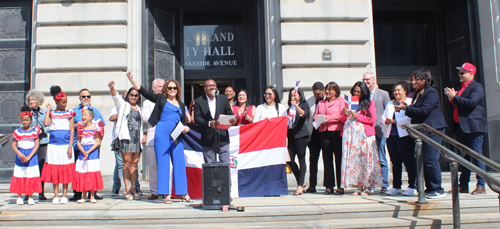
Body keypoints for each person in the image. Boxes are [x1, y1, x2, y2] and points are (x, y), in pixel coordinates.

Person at [127, 71, 193, 204]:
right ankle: (165, 194)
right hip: (162, 133)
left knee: (179, 162)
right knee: (162, 164)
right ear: (165, 90)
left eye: (174, 88)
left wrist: (186, 127)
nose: (172, 90)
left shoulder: (180, 104)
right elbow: (144, 92)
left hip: (177, 134)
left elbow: (183, 121)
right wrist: (132, 80)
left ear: (177, 90)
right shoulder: (160, 99)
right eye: (170, 88)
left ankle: (183, 193)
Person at [395, 69, 447, 199]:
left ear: (424, 80)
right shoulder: (418, 93)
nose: (414, 82)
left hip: (433, 129)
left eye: (417, 79)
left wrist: (405, 108)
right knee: (424, 160)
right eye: (413, 79)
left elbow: (424, 110)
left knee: (431, 159)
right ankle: (429, 188)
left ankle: (437, 188)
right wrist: (406, 107)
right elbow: (416, 110)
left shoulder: (431, 93)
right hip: (422, 131)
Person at [445, 62, 488, 195]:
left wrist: (455, 98)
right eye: (459, 73)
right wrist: (452, 99)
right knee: (463, 157)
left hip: (474, 127)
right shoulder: (460, 87)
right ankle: (463, 185)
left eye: (463, 72)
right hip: (461, 127)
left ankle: (481, 184)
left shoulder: (477, 87)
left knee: (476, 155)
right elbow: (457, 105)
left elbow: (471, 103)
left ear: (471, 74)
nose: (460, 75)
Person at [340, 81, 382, 196]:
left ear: (364, 92)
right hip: (352, 138)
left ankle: (367, 187)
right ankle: (359, 187)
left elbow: (372, 119)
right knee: (357, 162)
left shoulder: (370, 103)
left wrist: (357, 116)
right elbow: (343, 120)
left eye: (359, 91)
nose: (356, 93)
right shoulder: (349, 103)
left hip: (365, 136)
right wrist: (345, 113)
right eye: (355, 91)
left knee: (366, 161)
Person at [108, 80, 144, 201]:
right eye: (131, 95)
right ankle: (127, 188)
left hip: (136, 139)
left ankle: (134, 188)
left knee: (135, 164)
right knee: (127, 163)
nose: (133, 97)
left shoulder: (139, 108)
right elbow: (116, 97)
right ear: (128, 96)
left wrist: (143, 135)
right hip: (126, 138)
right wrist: (112, 88)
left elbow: (141, 125)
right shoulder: (123, 105)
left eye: (136, 95)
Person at [380, 80, 417, 196]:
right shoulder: (390, 103)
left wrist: (396, 121)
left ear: (405, 91)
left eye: (398, 90)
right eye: (394, 90)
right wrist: (386, 120)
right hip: (391, 135)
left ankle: (412, 186)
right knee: (395, 162)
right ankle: (396, 186)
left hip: (405, 135)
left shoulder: (409, 102)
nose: (396, 92)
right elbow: (383, 117)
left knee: (408, 161)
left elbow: (410, 118)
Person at [70, 88, 107, 201]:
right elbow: (69, 127)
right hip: (79, 145)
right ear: (79, 98)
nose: (86, 98)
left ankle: (93, 193)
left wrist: (99, 142)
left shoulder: (95, 112)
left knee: (92, 169)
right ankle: (78, 193)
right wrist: (77, 125)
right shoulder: (75, 111)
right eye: (83, 96)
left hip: (92, 145)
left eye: (88, 96)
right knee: (80, 169)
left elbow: (101, 126)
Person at [41, 85, 75, 204]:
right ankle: (56, 194)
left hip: (65, 145)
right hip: (54, 145)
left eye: (66, 102)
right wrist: (49, 110)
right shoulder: (52, 114)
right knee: (55, 168)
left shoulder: (69, 114)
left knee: (65, 169)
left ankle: (64, 194)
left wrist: (70, 147)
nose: (65, 104)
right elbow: (46, 124)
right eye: (63, 102)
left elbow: (72, 131)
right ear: (57, 102)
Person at [194, 79, 237, 164]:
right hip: (208, 138)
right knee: (210, 168)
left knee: (225, 165)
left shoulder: (223, 99)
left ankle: (225, 178)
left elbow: (229, 113)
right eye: (209, 86)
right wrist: (209, 123)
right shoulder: (199, 101)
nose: (212, 87)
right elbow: (197, 118)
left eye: (214, 85)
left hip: (222, 137)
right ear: (204, 88)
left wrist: (233, 120)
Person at [313, 82, 345, 195]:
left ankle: (340, 186)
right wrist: (318, 118)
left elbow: (341, 116)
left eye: (330, 90)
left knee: (338, 159)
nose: (327, 92)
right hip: (323, 132)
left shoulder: (341, 101)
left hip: (336, 132)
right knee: (327, 159)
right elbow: (316, 115)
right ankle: (329, 186)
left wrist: (327, 118)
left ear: (336, 91)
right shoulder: (321, 102)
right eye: (326, 90)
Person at [362, 72, 390, 193]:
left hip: (379, 131)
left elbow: (388, 110)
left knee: (382, 158)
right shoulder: (362, 96)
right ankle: (371, 184)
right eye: (363, 80)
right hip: (366, 132)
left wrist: (386, 126)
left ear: (374, 80)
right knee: (369, 160)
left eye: (367, 79)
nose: (365, 82)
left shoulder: (383, 94)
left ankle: (384, 184)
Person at [10, 105, 42, 205]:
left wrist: (29, 156)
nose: (25, 122)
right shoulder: (18, 132)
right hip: (21, 155)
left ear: (31, 120)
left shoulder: (34, 131)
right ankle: (20, 195)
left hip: (31, 156)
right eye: (23, 120)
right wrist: (19, 153)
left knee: (30, 175)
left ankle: (30, 196)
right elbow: (13, 144)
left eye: (27, 120)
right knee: (20, 175)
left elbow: (37, 144)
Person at [141, 78, 165, 200]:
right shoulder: (147, 103)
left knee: (165, 164)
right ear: (153, 88)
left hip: (166, 136)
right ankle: (154, 191)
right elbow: (145, 117)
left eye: (163, 86)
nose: (161, 89)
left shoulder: (169, 101)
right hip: (152, 136)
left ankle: (165, 190)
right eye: (159, 87)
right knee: (153, 166)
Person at [25, 89, 50, 200]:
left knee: (41, 167)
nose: (32, 101)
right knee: (29, 168)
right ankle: (27, 192)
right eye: (30, 99)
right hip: (30, 144)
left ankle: (41, 191)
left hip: (42, 143)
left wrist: (42, 130)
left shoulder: (44, 113)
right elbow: (23, 125)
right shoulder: (26, 113)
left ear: (38, 100)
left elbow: (49, 126)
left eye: (34, 99)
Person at [74, 109, 104, 203]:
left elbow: (97, 141)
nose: (83, 117)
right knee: (83, 172)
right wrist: (83, 151)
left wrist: (89, 151)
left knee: (91, 172)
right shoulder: (80, 128)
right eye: (82, 115)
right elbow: (78, 142)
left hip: (92, 152)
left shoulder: (95, 128)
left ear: (91, 117)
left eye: (85, 115)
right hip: (82, 151)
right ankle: (83, 195)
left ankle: (91, 195)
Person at [286, 88, 310, 195]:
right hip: (291, 136)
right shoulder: (288, 109)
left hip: (301, 135)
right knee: (290, 160)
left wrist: (296, 106)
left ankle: (300, 185)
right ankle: (300, 180)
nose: (293, 97)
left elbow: (304, 114)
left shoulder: (303, 105)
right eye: (291, 95)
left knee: (301, 159)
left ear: (300, 95)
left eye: (295, 95)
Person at [305, 82, 325, 193]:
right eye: (315, 94)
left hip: (325, 133)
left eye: (318, 94)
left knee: (327, 159)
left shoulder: (327, 100)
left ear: (323, 91)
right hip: (313, 134)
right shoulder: (310, 101)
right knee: (312, 161)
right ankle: (312, 185)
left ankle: (329, 185)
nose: (316, 96)